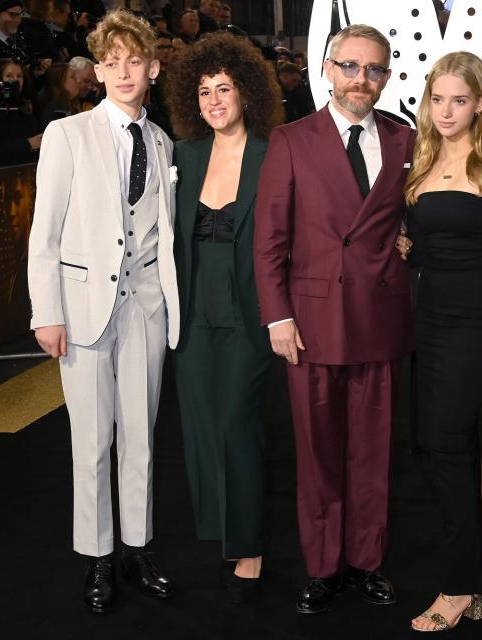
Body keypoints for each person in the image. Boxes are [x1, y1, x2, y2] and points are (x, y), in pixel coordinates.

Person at [253, 23, 414, 615]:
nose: (361, 80)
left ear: (387, 77)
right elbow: (269, 240)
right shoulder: (291, 139)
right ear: (327, 68)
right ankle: (323, 565)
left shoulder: (404, 140)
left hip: (380, 316)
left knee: (374, 452)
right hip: (313, 323)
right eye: (351, 66)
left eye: (374, 70)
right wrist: (277, 317)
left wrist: (410, 238)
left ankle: (368, 561)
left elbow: (420, 213)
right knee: (318, 454)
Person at [27, 10, 180, 614]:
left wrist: (169, 304)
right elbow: (46, 231)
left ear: (153, 68)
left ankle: (137, 549)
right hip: (83, 308)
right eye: (111, 61)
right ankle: (97, 558)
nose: (122, 71)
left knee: (141, 438)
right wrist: (47, 312)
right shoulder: (68, 135)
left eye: (133, 61)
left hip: (146, 305)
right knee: (90, 441)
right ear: (98, 69)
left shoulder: (163, 140)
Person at [397, 50, 482, 632]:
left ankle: (459, 585)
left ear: (480, 104)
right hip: (430, 318)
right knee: (454, 443)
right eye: (437, 98)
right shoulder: (420, 161)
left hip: (480, 322)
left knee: (446, 443)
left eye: (459, 99)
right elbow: (425, 244)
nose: (446, 110)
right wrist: (410, 249)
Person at [165, 32, 283, 605]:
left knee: (237, 423)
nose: (214, 100)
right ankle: (221, 531)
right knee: (202, 427)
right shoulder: (182, 156)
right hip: (190, 312)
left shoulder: (273, 151)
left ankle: (251, 543)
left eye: (225, 88)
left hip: (249, 313)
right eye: (205, 90)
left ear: (248, 92)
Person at [0, 59, 43, 168]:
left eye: (19, 76)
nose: (16, 81)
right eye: (9, 76)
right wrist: (28, 144)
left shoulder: (27, 105)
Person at [34, 62, 80, 129]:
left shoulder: (72, 104)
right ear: (60, 81)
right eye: (72, 77)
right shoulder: (54, 109)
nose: (78, 80)